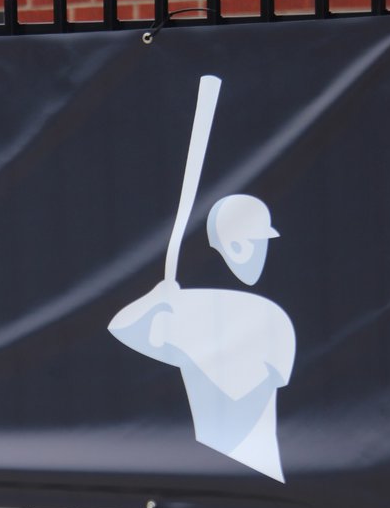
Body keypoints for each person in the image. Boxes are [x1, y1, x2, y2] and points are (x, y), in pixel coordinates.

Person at [109, 194, 295, 482]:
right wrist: (156, 299)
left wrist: (154, 301)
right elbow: (120, 328)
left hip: (248, 461)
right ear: (236, 247)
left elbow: (123, 327)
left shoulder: (262, 313)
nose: (262, 253)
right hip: (231, 459)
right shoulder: (197, 307)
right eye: (258, 243)